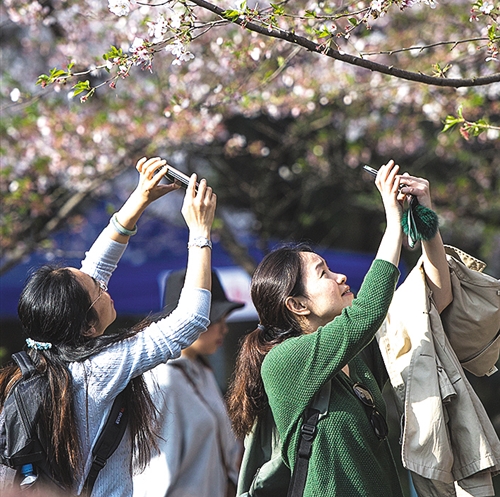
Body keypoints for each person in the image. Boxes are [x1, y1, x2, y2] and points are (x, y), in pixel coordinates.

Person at [227, 161, 452, 497]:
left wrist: (425, 218)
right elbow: (366, 314)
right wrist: (393, 222)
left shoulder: (356, 356)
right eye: (324, 274)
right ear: (297, 305)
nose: (340, 277)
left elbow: (436, 302)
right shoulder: (284, 362)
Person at [0, 156, 217, 497]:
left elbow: (95, 267)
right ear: (86, 327)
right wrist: (200, 234)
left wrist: (140, 198)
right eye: (98, 290)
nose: (104, 286)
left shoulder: (40, 365)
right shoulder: (98, 370)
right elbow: (190, 320)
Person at [133, 269, 244, 497]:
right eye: (216, 319)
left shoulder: (200, 369)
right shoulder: (162, 377)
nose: (224, 328)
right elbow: (154, 471)